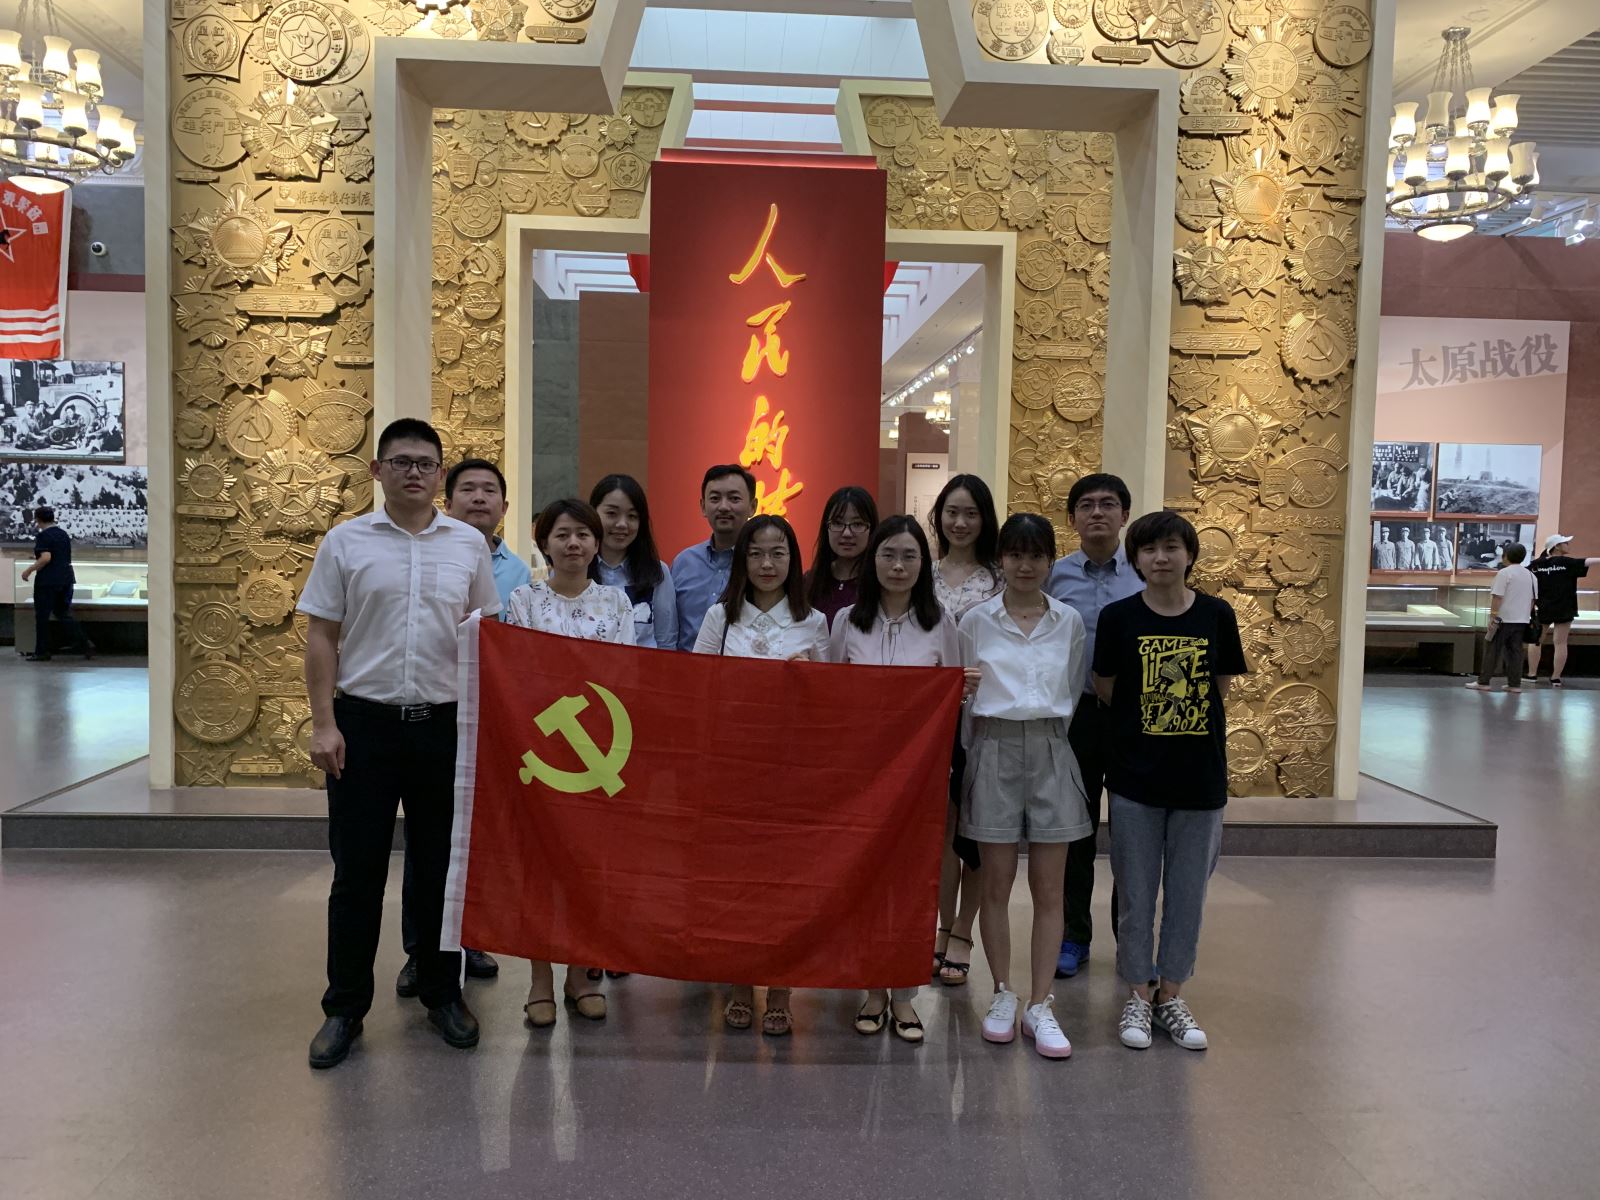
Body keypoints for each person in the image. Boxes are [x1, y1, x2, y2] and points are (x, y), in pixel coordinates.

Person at [298, 418, 501, 1069]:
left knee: (441, 869)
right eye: (401, 461)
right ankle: (344, 1008)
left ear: (440, 474)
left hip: (444, 726)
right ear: (377, 470)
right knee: (356, 873)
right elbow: (322, 636)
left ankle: (442, 992)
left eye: (425, 463)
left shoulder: (468, 545)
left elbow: (486, 636)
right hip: (364, 726)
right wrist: (324, 723)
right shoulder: (345, 542)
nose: (414, 472)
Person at [1093, 511, 1248, 1053]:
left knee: (1187, 896)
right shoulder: (1117, 617)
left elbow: (1221, 685)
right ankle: (1138, 991)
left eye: (1171, 547)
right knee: (1135, 894)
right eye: (1149, 549)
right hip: (1134, 778)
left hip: (1199, 778)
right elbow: (1106, 686)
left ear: (1189, 555)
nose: (1160, 558)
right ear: (1135, 559)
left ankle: (1172, 995)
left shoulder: (1216, 614)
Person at [829, 515, 978, 1044]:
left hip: (920, 778)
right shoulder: (847, 622)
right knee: (867, 879)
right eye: (888, 555)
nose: (898, 566)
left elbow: (953, 703)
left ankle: (906, 993)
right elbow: (833, 695)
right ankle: (873, 988)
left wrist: (962, 689)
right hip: (862, 776)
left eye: (909, 556)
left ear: (924, 564)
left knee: (912, 883)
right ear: (873, 561)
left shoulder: (942, 625)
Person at [393, 458, 527, 999]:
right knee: (426, 840)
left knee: (472, 837)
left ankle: (467, 939)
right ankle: (419, 951)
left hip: (490, 721)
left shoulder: (522, 573)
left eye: (489, 490)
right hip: (437, 710)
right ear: (447, 501)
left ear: (504, 506)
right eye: (467, 489)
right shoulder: (425, 554)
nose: (479, 498)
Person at [959, 513, 1091, 1060]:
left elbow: (1073, 690)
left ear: (1050, 561)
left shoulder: (1069, 621)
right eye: (1015, 554)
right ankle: (1001, 993)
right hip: (993, 747)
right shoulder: (975, 621)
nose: (1025, 565)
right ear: (1001, 560)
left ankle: (1041, 1003)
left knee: (1050, 889)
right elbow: (964, 697)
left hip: (1051, 747)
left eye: (1036, 555)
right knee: (995, 883)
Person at [694, 515, 829, 1036]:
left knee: (785, 878)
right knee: (735, 877)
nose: (767, 564)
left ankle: (781, 987)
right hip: (731, 766)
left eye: (778, 553)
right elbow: (697, 687)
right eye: (756, 554)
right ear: (742, 561)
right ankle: (738, 980)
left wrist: (810, 681)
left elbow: (834, 702)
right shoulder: (720, 617)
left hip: (793, 770)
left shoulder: (814, 621)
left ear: (794, 559)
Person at [503, 498, 635, 1027]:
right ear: (544, 543)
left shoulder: (617, 602)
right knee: (540, 866)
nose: (573, 543)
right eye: (562, 534)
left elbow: (625, 673)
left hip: (600, 753)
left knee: (590, 868)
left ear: (597, 543)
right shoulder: (524, 600)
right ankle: (539, 980)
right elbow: (518, 670)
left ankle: (581, 975)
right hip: (541, 750)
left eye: (583, 533)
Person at [1045, 472, 1144, 980]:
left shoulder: (1145, 572)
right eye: (1086, 505)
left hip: (1134, 719)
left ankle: (1131, 940)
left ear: (1125, 515)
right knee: (1074, 830)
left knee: (1133, 833)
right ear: (1072, 518)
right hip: (1076, 714)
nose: (1097, 513)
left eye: (1108, 504)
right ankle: (1072, 935)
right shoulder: (1054, 576)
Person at [927, 474, 1003, 989]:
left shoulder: (1000, 579)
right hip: (932, 721)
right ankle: (940, 923)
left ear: (984, 520)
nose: (960, 522)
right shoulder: (922, 572)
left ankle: (963, 931)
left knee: (976, 829)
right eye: (952, 512)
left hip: (984, 716)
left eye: (971, 513)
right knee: (942, 829)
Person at [589, 473, 677, 650]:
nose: (622, 524)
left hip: (643, 667)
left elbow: (666, 642)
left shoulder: (657, 572)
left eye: (632, 516)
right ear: (592, 514)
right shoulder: (574, 571)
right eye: (612, 514)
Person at [671, 464, 754, 651]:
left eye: (734, 498)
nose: (723, 507)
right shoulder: (683, 563)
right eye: (715, 498)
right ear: (703, 506)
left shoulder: (761, 566)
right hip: (686, 667)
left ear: (752, 506)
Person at [19, 506, 92, 661]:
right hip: (66, 578)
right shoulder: (63, 534)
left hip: (48, 581)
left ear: (37, 519)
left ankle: (42, 651)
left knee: (42, 617)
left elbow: (46, 558)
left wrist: (29, 570)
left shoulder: (43, 536)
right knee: (63, 613)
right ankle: (85, 643)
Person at [1526, 534, 1599, 686]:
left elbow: (1525, 579)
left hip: (1543, 607)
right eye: (1565, 543)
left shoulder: (1536, 564)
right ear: (1557, 546)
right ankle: (1556, 678)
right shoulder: (1568, 562)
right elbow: (1589, 561)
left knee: (1536, 641)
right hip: (1565, 607)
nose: (1568, 545)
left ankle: (1532, 674)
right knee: (1560, 643)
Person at [804, 485, 879, 628]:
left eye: (857, 524)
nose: (847, 533)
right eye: (837, 523)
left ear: (872, 529)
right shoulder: (809, 582)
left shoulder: (880, 584)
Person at [1467, 542, 1536, 694]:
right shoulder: (1531, 575)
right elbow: (1532, 600)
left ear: (1506, 556)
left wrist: (1493, 616)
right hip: (1522, 621)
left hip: (1502, 620)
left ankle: (1483, 682)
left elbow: (1497, 597)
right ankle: (1514, 684)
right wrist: (1525, 614)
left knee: (1492, 650)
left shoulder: (1504, 573)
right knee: (1515, 652)